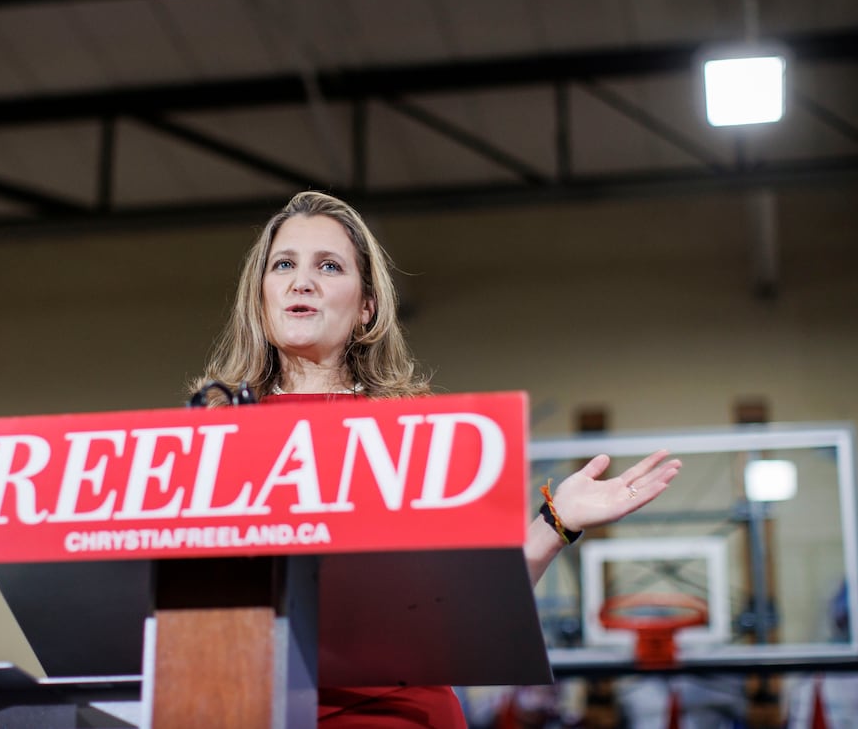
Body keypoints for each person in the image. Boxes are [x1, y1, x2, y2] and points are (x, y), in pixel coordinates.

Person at [192, 190, 682, 728]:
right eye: (283, 264)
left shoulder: (417, 431)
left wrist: (556, 521)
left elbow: (470, 604)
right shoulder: (212, 435)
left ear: (366, 307)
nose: (301, 281)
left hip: (401, 716)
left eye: (329, 266)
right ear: (260, 295)